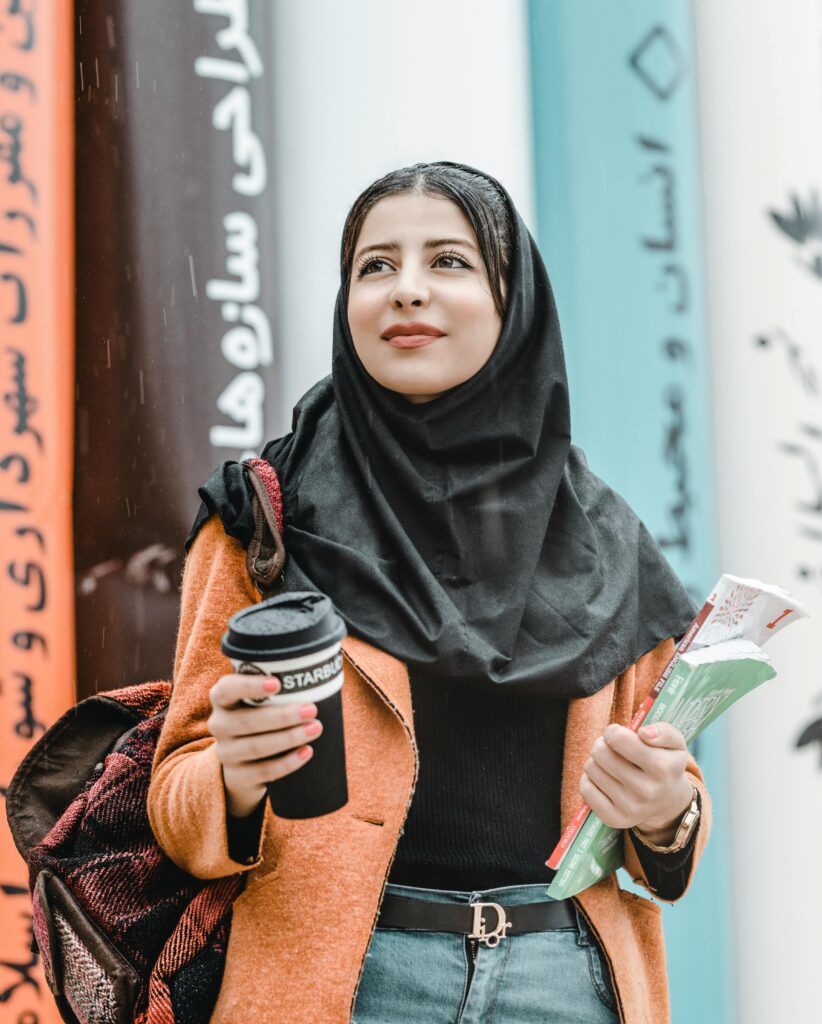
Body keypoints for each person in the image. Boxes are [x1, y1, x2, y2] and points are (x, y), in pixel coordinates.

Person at [148, 161, 711, 1024]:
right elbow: (176, 809)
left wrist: (669, 810)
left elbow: (660, 841)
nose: (405, 290)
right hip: (344, 983)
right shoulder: (265, 515)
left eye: (448, 261)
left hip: (565, 983)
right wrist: (232, 775)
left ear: (513, 301)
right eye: (375, 266)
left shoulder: (604, 539)